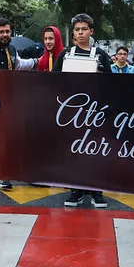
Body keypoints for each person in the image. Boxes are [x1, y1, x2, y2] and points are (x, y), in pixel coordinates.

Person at [53, 13, 113, 207]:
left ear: (91, 31)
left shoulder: (101, 55)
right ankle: (76, 190)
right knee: (73, 151)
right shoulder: (65, 54)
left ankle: (96, 190)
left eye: (84, 29)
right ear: (73, 33)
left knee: (95, 151)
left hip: (95, 112)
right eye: (77, 30)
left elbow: (113, 83)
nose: (80, 33)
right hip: (71, 112)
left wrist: (99, 76)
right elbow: (53, 81)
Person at [0, 18, 36, 190]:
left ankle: (5, 176)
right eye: (1, 32)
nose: (5, 35)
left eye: (7, 31)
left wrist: (36, 62)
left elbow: (19, 65)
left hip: (6, 103)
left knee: (6, 140)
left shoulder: (10, 49)